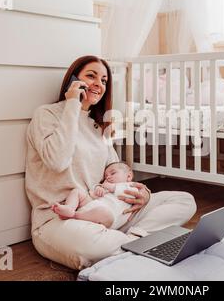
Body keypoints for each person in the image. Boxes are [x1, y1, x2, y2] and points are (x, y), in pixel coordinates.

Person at [25, 55, 197, 270]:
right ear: (73, 81)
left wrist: (142, 193)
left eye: (104, 80)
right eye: (91, 76)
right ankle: (142, 245)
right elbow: (58, 161)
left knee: (184, 200)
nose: (99, 84)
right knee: (92, 245)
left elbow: (116, 172)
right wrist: (72, 104)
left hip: (109, 210)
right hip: (60, 221)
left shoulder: (100, 126)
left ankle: (135, 239)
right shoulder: (47, 115)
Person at [51, 161, 138, 230]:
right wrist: (98, 189)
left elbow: (132, 195)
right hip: (92, 206)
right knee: (78, 192)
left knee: (104, 212)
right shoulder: (105, 187)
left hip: (107, 217)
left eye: (113, 173)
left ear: (129, 176)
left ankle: (73, 215)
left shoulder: (131, 187)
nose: (107, 177)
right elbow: (92, 194)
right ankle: (69, 207)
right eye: (106, 176)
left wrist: (112, 187)